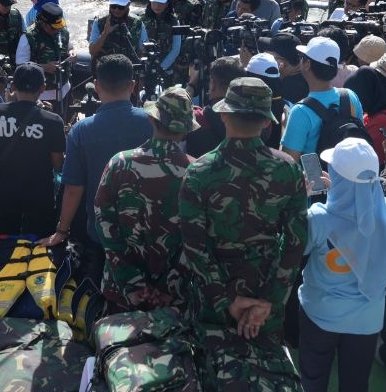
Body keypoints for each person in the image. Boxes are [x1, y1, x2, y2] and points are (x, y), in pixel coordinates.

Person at [179, 77, 308, 347]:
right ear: (266, 121)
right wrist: (271, 301)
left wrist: (225, 299)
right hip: (266, 294)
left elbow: (194, 246)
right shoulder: (289, 169)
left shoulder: (198, 172)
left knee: (210, 375)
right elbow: (296, 242)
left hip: (212, 301)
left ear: (223, 114)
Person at [298, 138, 386, 392]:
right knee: (356, 385)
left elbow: (297, 250)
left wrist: (303, 200)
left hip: (321, 315)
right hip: (367, 321)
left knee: (312, 380)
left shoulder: (318, 217)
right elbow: (361, 212)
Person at [45, 55, 152, 282]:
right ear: (133, 86)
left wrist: (62, 230)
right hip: (148, 228)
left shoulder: (81, 131)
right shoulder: (153, 123)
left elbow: (73, 188)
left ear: (97, 86)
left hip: (101, 232)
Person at [95, 86, 196, 312]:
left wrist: (132, 283)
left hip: (121, 293)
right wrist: (168, 287)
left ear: (151, 119)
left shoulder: (120, 163)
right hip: (174, 300)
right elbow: (197, 238)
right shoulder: (196, 171)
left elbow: (104, 224)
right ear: (186, 130)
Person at [0, 63, 64, 237]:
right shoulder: (53, 120)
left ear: (13, 86)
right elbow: (58, 164)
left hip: (1, 192)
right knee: (37, 249)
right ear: (42, 87)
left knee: (2, 244)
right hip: (39, 195)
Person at [280, 38, 364, 163]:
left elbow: (288, 163)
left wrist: (284, 127)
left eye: (302, 57)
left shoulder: (300, 111)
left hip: (318, 181)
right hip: (346, 177)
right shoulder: (350, 96)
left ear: (307, 64)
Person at [188, 56, 246, 157]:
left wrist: (191, 84)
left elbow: (176, 109)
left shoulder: (197, 118)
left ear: (212, 84)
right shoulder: (253, 121)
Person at [16, 2, 71, 101]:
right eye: (53, 28)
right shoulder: (28, 37)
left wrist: (72, 52)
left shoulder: (62, 31)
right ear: (43, 23)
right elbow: (21, 65)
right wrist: (44, 67)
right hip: (41, 95)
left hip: (64, 90)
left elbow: (69, 47)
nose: (57, 30)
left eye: (59, 27)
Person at [89, 0, 147, 64]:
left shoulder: (137, 24)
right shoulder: (99, 22)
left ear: (128, 5)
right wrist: (104, 33)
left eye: (121, 7)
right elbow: (92, 51)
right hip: (105, 71)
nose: (116, 10)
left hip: (129, 71)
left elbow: (144, 50)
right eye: (113, 6)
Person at [143, 0, 183, 82]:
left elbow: (176, 49)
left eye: (161, 2)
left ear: (168, 3)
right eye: (155, 1)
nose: (157, 6)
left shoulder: (174, 21)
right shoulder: (141, 19)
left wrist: (161, 68)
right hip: (144, 70)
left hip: (166, 71)